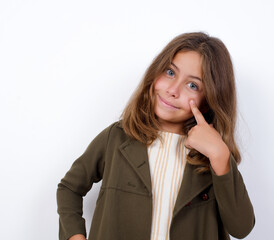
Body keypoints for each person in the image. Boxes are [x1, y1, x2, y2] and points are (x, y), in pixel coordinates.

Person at [57, 32, 255, 240]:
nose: (173, 90)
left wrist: (220, 155)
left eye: (193, 85)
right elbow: (69, 188)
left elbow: (241, 228)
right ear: (155, 73)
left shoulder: (214, 157)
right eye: (170, 72)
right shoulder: (116, 138)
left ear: (208, 100)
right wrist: (74, 236)